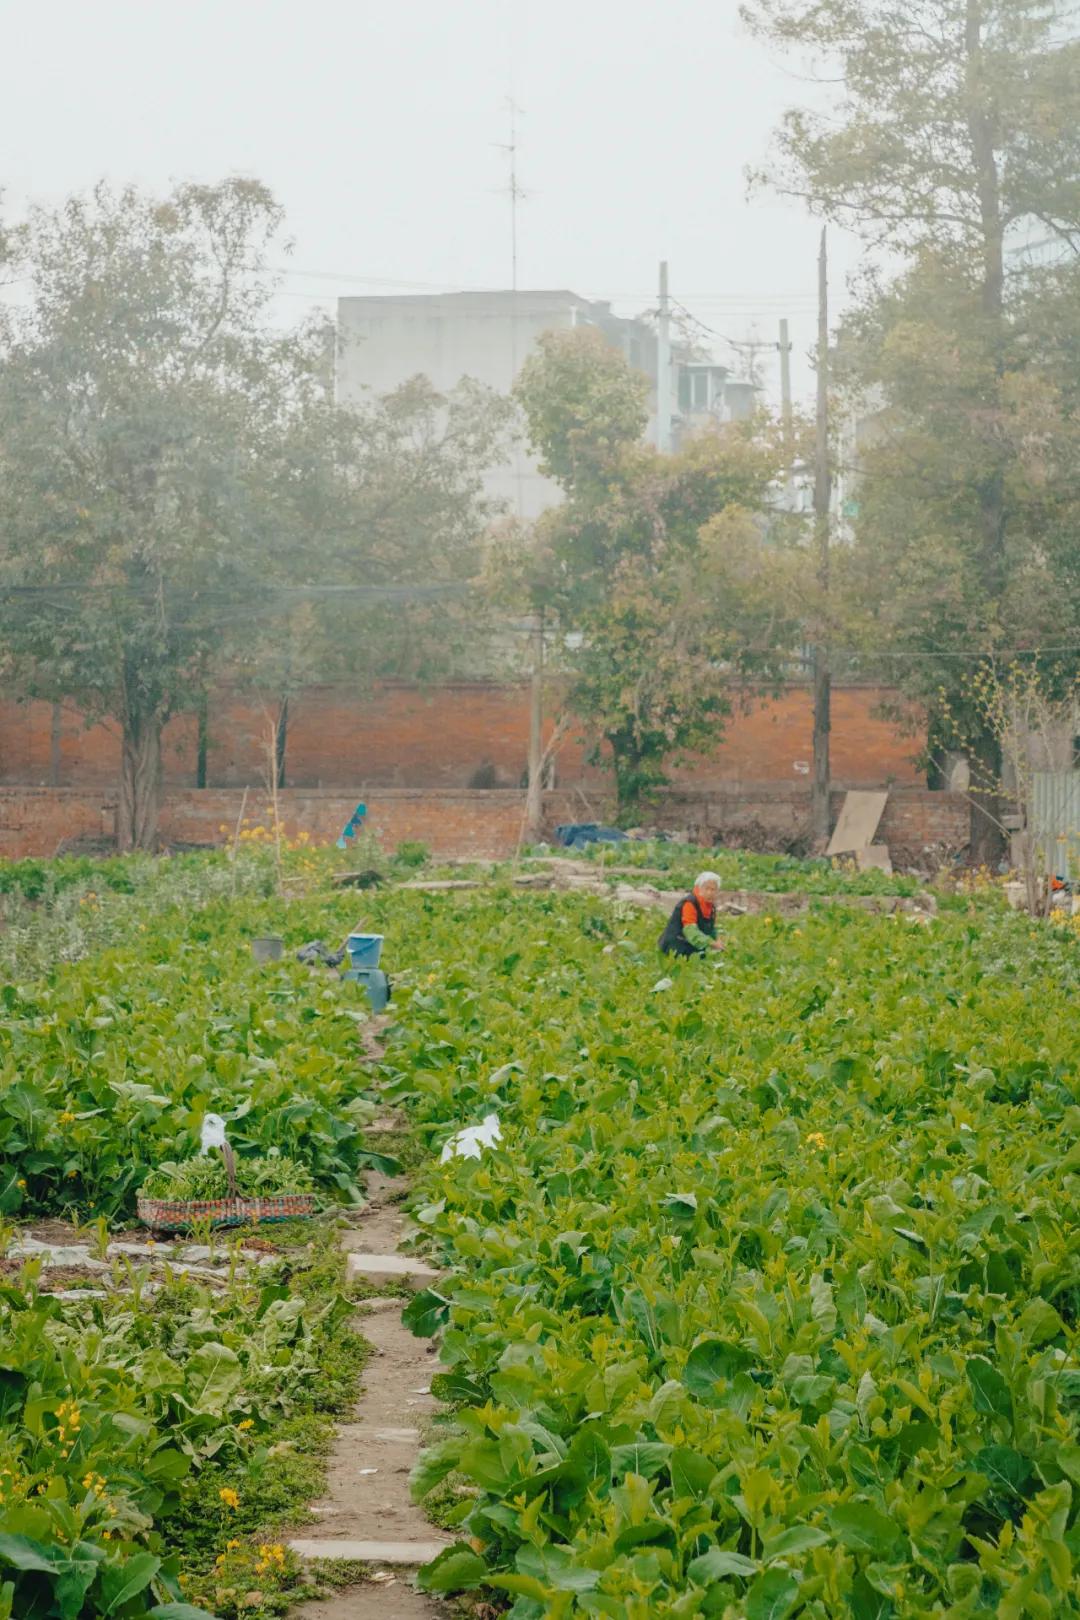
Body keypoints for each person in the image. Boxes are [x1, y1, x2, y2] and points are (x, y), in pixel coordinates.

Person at [659, 871, 725, 957]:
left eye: (713, 890)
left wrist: (717, 939)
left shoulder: (710, 907)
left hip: (691, 948)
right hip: (675, 948)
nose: (710, 893)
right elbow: (691, 932)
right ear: (699, 888)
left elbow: (710, 928)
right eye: (707, 888)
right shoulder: (690, 904)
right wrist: (711, 943)